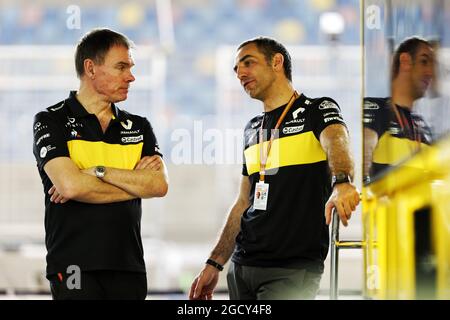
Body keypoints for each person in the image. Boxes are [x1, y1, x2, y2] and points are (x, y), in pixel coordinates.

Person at [189, 37, 360, 300]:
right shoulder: (252, 128)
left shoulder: (317, 109)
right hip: (241, 268)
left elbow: (337, 141)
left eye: (248, 63)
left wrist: (342, 181)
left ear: (277, 62)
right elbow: (242, 202)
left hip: (290, 271)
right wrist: (214, 263)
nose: (241, 74)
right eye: (236, 69)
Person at [32, 28, 169, 300]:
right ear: (90, 68)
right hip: (73, 266)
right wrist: (134, 184)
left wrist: (98, 172)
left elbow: (158, 185)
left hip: (128, 266)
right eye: (121, 67)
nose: (131, 76)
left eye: (130, 67)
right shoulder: (50, 120)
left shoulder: (139, 126)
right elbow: (70, 186)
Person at [363, 37, 435, 182]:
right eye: (424, 62)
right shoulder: (375, 109)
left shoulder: (422, 126)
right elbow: (363, 153)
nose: (430, 72)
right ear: (405, 61)